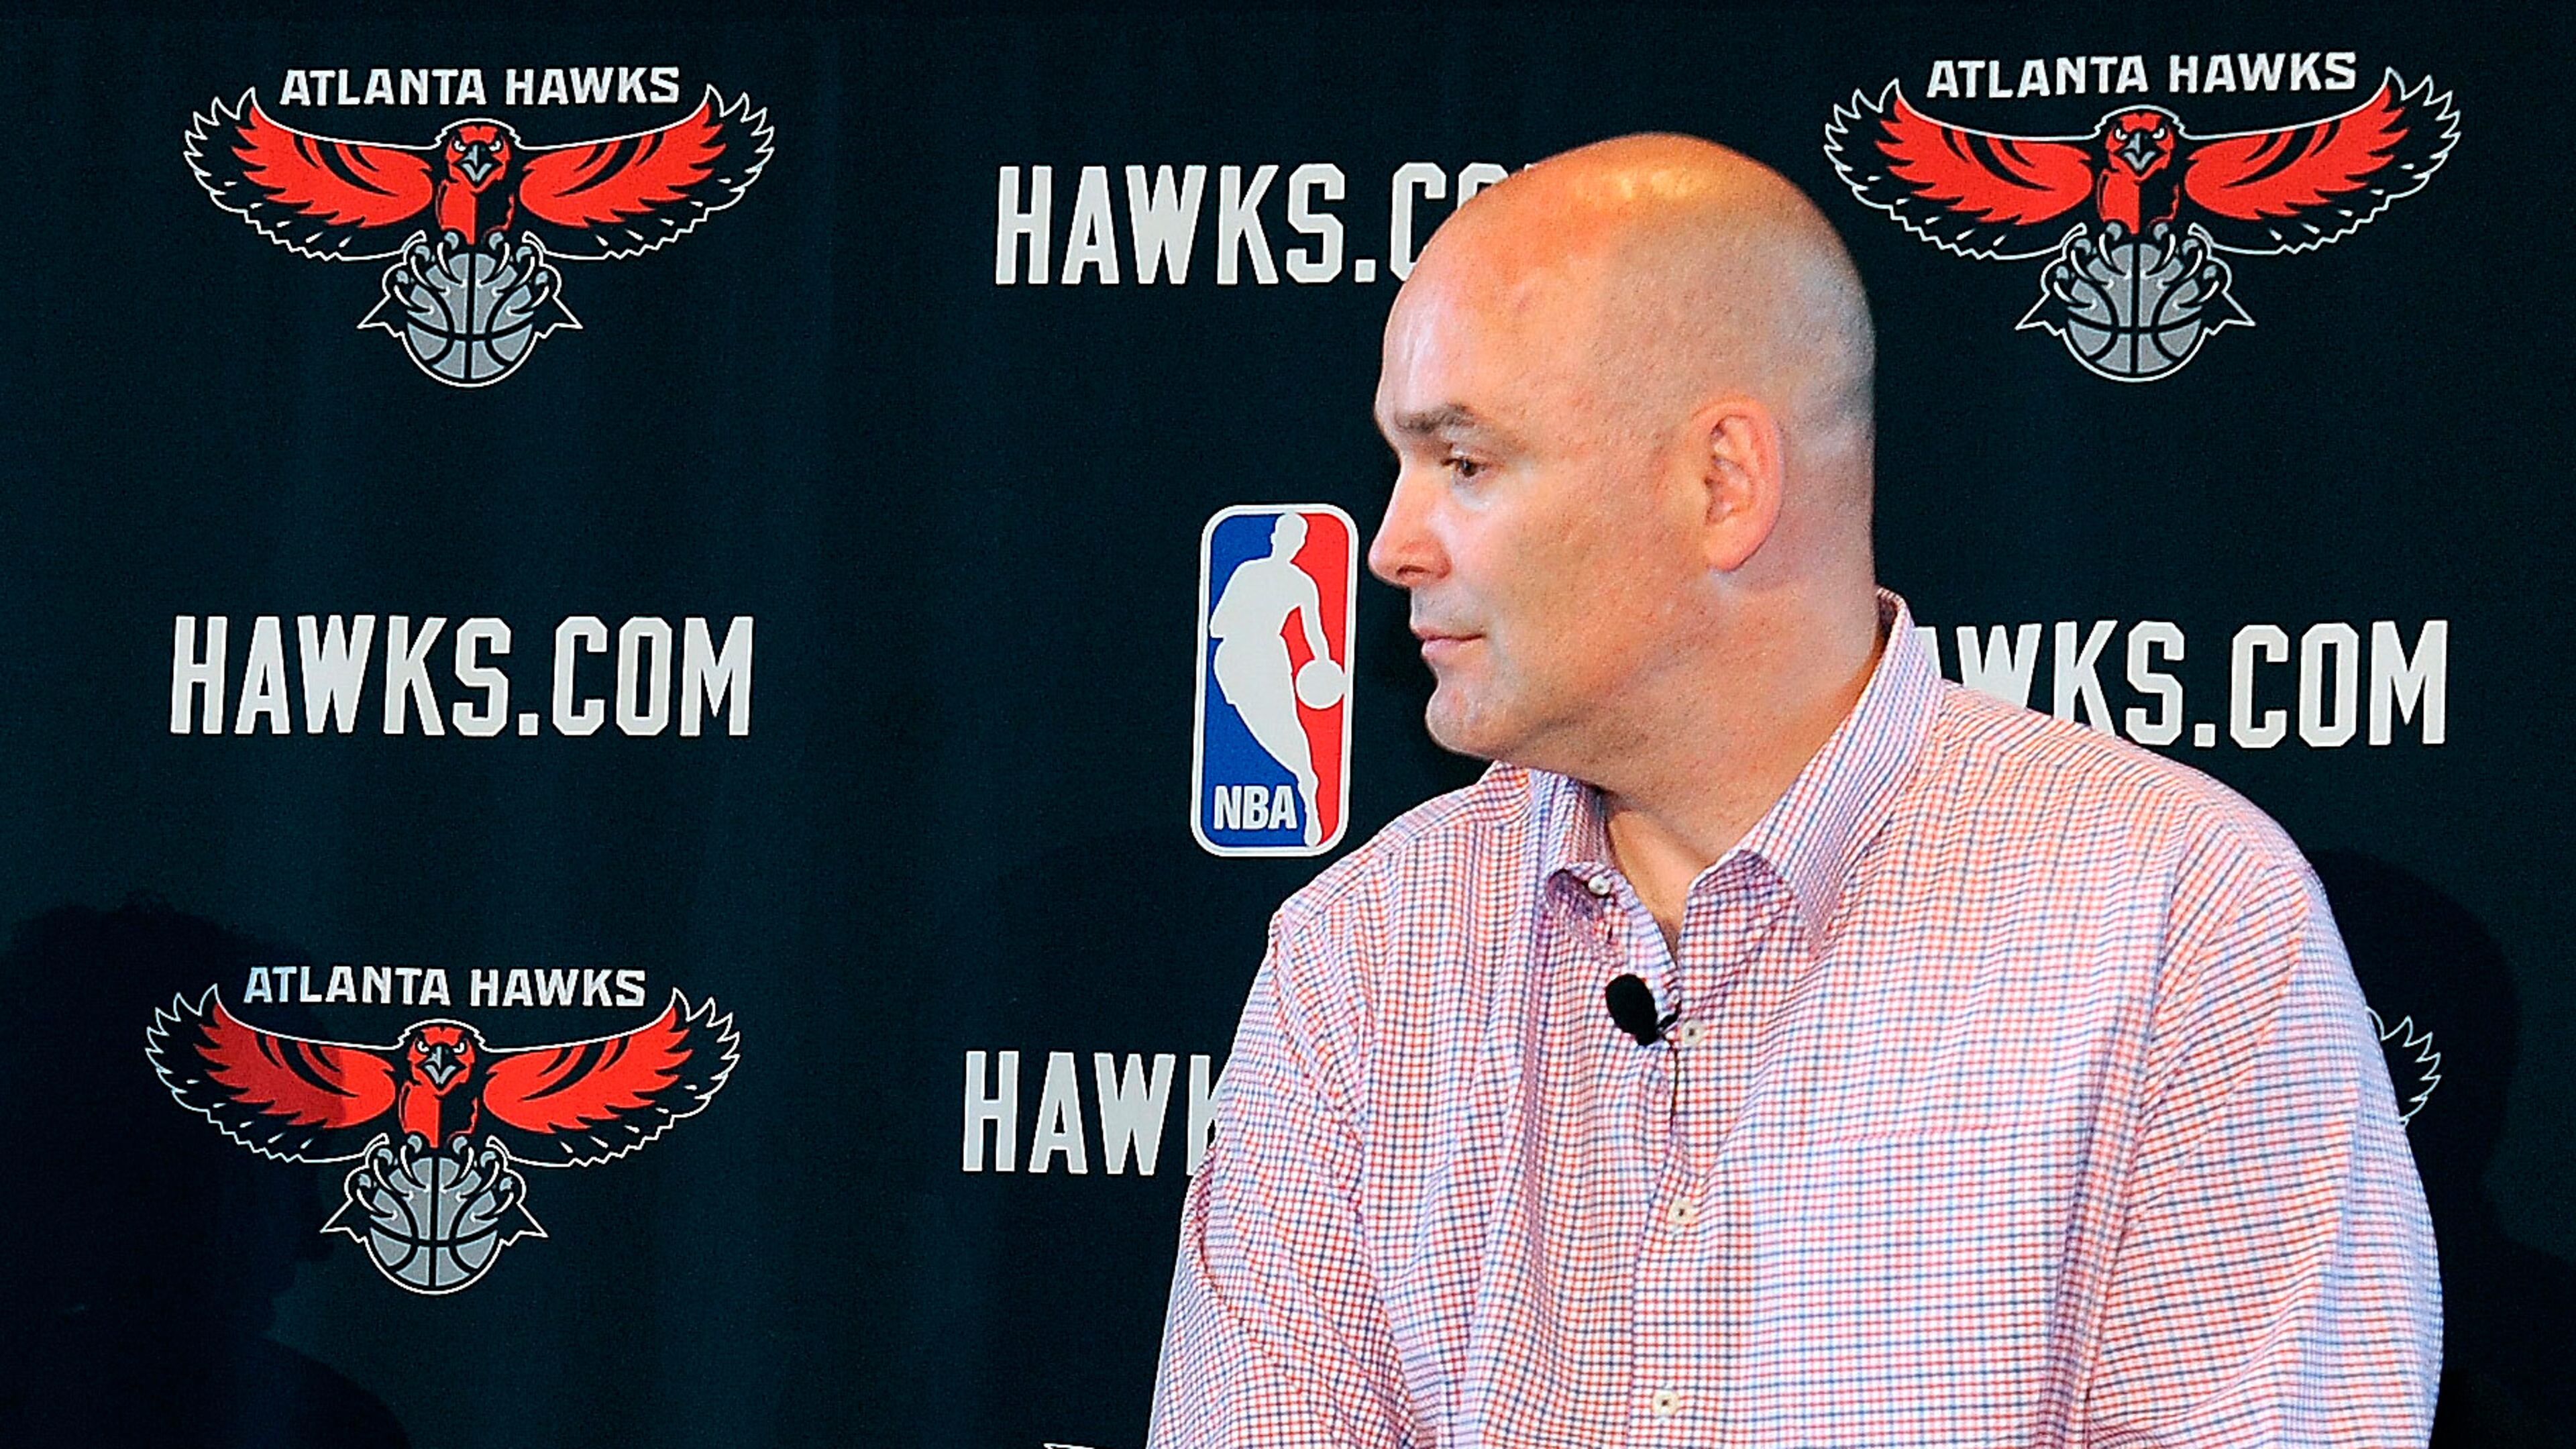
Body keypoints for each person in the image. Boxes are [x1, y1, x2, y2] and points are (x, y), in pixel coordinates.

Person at [1148, 134, 2440, 1446]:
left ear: (1723, 485)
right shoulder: (1356, 957)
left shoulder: (2182, 921)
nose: (1393, 544)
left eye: (1466, 464)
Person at [1209, 513, 1338, 847]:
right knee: (1263, 728)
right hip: (1235, 660)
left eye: (1295, 538)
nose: (1289, 543)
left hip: (1268, 656)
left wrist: (1322, 664)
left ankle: (1308, 788)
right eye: (1286, 535)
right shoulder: (1248, 571)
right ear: (1275, 537)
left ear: (1300, 544)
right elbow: (1215, 626)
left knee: (1286, 726)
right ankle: (1305, 780)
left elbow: (1315, 632)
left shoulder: (1301, 583)